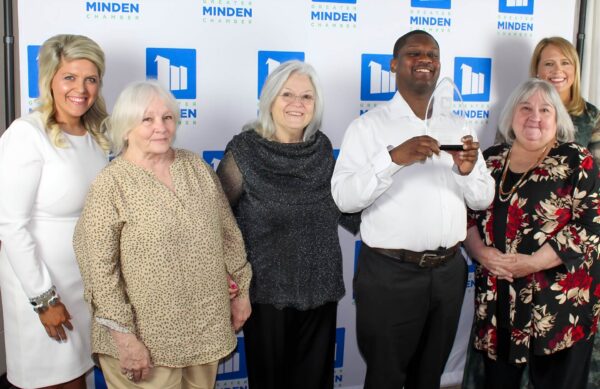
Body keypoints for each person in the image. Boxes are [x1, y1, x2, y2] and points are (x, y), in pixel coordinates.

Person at [331, 30, 495, 389]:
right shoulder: (367, 127)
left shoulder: (459, 127)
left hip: (449, 273)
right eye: (414, 53)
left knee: (429, 377)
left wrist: (466, 173)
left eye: (433, 54)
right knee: (386, 377)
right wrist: (392, 160)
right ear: (394, 64)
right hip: (391, 275)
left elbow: (482, 199)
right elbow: (344, 199)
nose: (425, 60)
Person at [73, 80, 252, 388]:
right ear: (126, 127)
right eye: (147, 119)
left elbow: (228, 233)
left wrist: (242, 292)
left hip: (204, 330)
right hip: (145, 340)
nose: (161, 127)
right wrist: (125, 339)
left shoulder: (194, 166)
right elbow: (99, 271)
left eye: (167, 117)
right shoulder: (110, 186)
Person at [217, 60, 351, 389]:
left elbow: (349, 208)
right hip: (265, 295)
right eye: (287, 94)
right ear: (271, 99)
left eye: (307, 97)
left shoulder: (322, 150)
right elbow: (217, 219)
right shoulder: (245, 151)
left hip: (320, 291)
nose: (297, 103)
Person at [464, 78, 600, 389]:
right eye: (525, 108)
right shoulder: (490, 160)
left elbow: (591, 225)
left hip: (559, 306)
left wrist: (534, 262)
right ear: (511, 114)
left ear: (557, 118)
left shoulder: (576, 160)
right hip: (498, 303)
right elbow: (467, 216)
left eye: (544, 109)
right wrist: (481, 253)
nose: (534, 116)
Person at [0, 34, 109, 389]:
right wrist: (43, 298)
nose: (81, 88)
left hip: (82, 285)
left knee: (77, 378)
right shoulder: (26, 134)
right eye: (70, 77)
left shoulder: (95, 135)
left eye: (90, 79)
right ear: (49, 79)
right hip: (41, 287)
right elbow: (11, 226)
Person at [530, 37, 600, 165]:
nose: (557, 70)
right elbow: (501, 159)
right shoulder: (520, 111)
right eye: (549, 64)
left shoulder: (592, 115)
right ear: (537, 70)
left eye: (565, 63)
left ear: (575, 69)